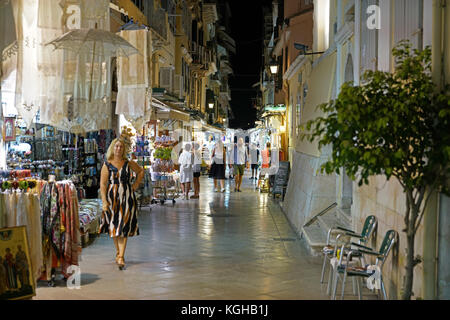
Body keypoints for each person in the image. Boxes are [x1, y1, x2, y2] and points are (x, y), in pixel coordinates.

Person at [99, 127, 144, 270]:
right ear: (113, 148)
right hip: (112, 198)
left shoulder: (128, 162)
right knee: (114, 226)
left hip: (127, 197)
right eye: (116, 146)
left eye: (121, 147)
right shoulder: (107, 164)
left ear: (123, 149)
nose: (118, 148)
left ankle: (121, 256)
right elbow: (103, 184)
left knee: (123, 226)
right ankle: (118, 252)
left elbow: (141, 171)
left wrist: (135, 185)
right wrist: (104, 201)